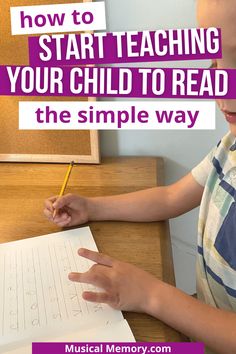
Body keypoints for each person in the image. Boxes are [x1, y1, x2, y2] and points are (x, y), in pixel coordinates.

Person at [44, 1, 236, 353]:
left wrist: (150, 294)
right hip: (198, 327)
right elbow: (169, 198)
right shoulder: (231, 146)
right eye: (213, 59)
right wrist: (92, 207)